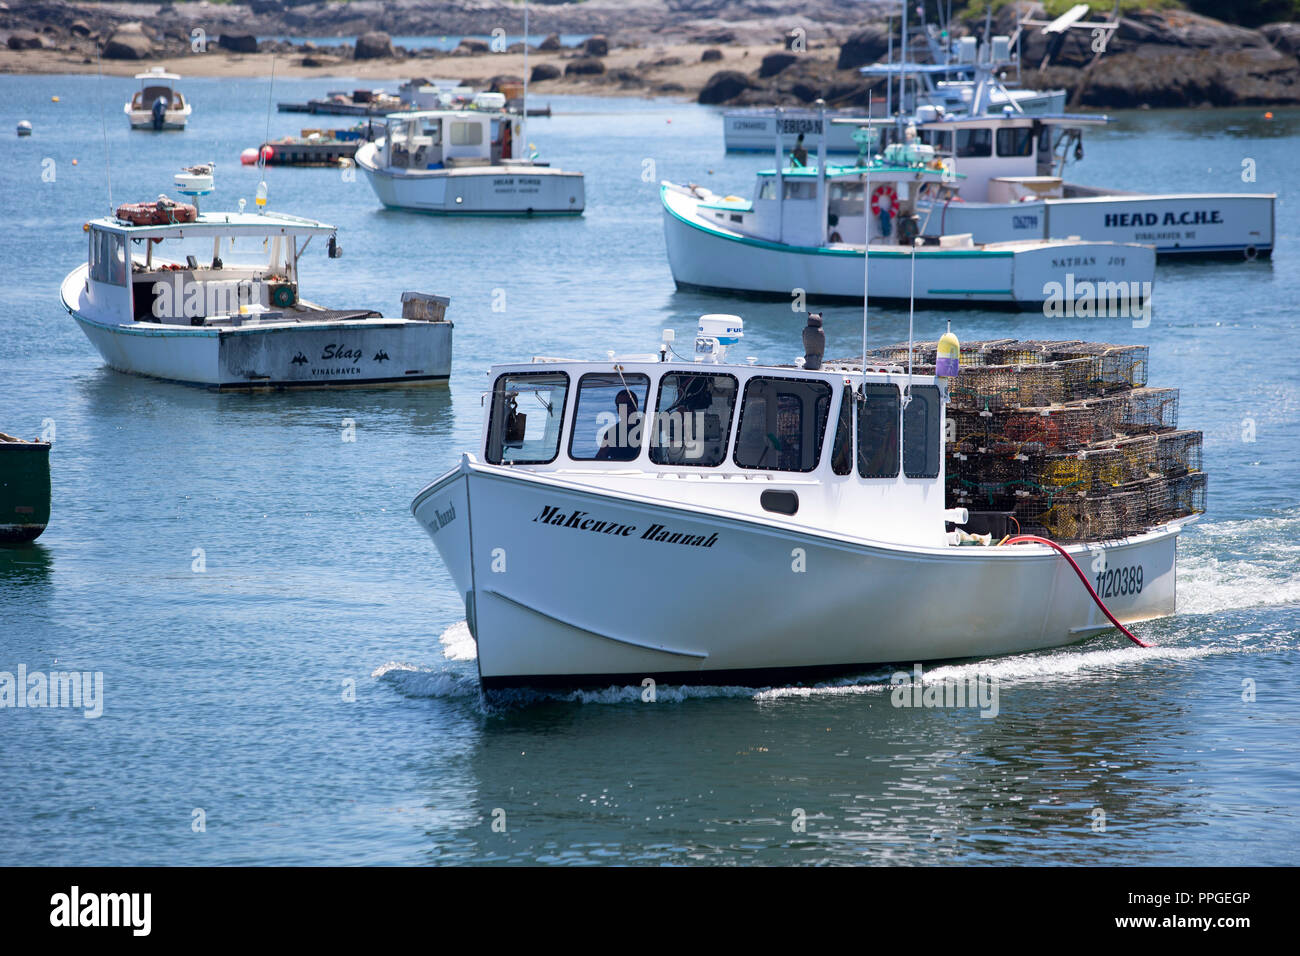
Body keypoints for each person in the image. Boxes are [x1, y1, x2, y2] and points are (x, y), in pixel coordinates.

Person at [595, 389, 641, 461]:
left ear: (636, 405)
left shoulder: (648, 429)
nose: (624, 408)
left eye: (628, 404)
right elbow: (600, 458)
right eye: (620, 405)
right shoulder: (611, 433)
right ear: (617, 409)